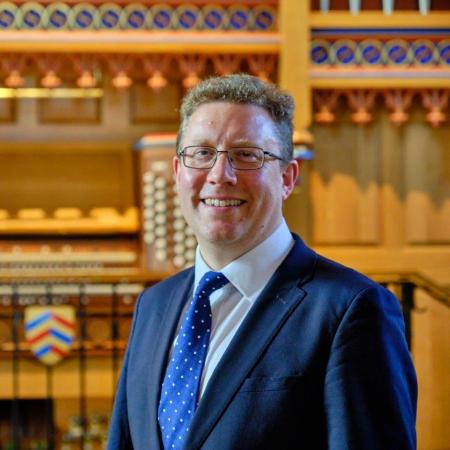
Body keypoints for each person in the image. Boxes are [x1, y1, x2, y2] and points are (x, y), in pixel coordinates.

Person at [107, 74, 417, 450]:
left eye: (247, 155)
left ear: (287, 178)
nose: (220, 175)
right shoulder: (154, 306)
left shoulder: (350, 309)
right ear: (177, 173)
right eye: (202, 153)